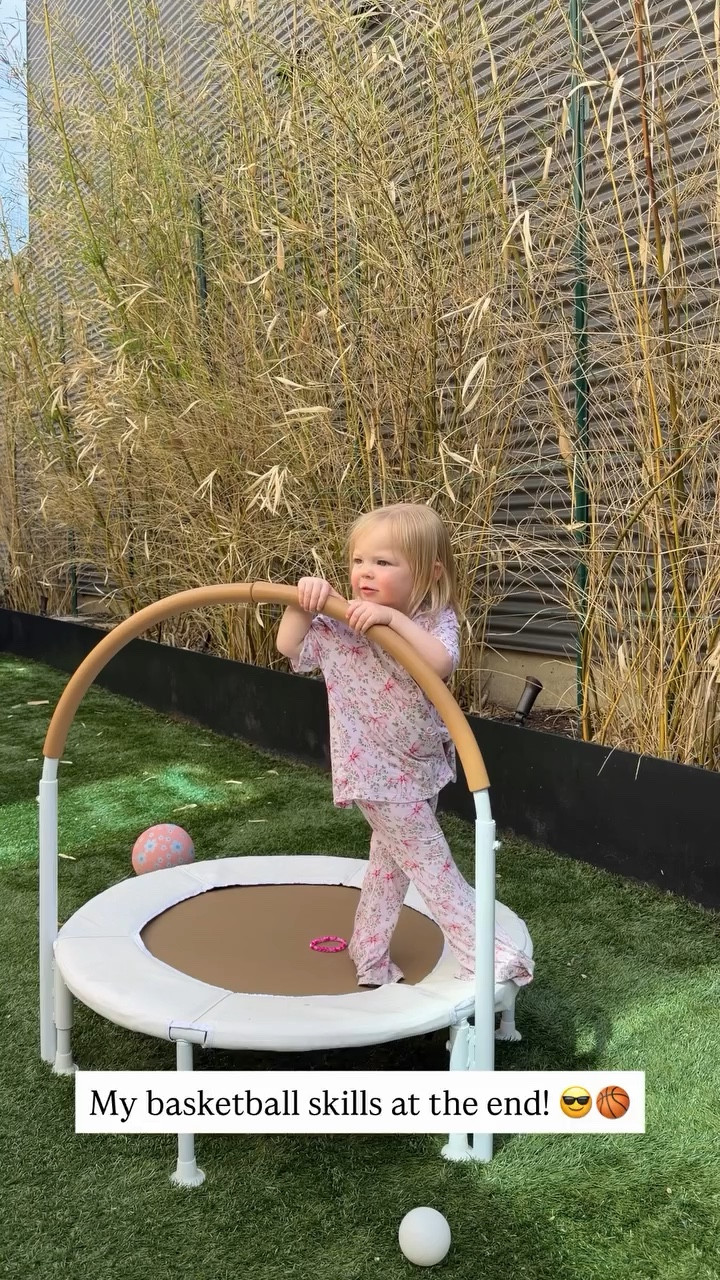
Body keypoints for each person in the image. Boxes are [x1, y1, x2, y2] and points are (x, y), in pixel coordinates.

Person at [276, 501, 533, 989]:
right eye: (358, 561)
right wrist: (301, 601)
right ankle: (482, 952)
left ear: (429, 571)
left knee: (389, 867)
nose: (365, 573)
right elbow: (291, 648)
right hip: (374, 772)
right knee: (434, 866)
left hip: (420, 764)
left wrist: (391, 621)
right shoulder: (338, 619)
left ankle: (368, 955)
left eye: (384, 562)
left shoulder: (433, 620)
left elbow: (438, 664)